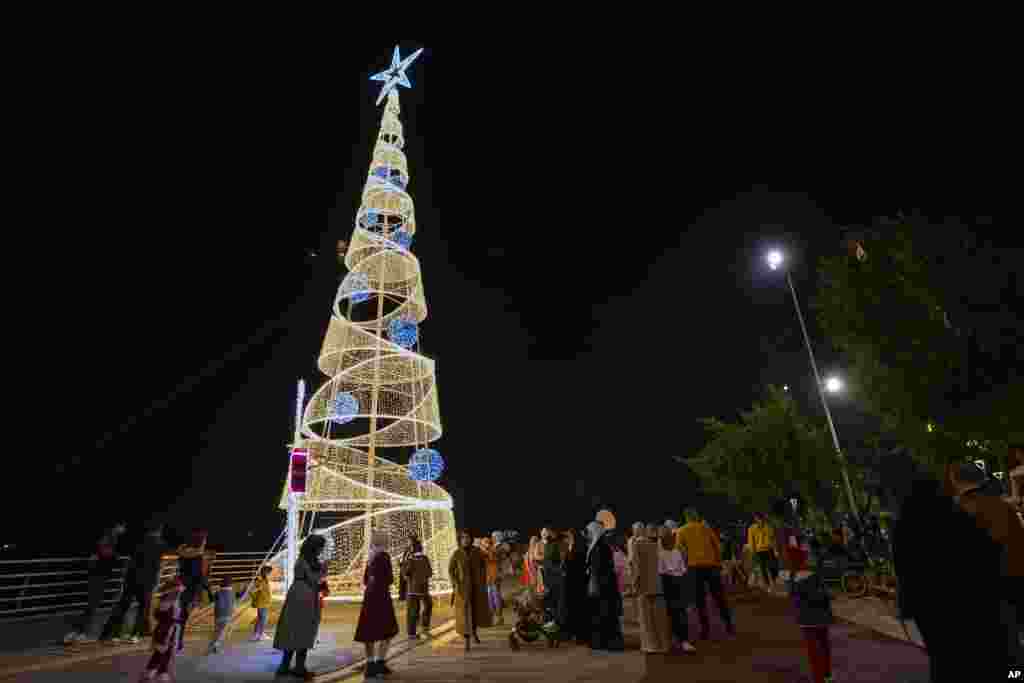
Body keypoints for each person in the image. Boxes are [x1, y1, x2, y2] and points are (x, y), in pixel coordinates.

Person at [946, 461, 1024, 666]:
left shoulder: (954, 512)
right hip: (1012, 586)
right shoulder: (1003, 507)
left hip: (975, 596)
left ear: (955, 481)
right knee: (1013, 648)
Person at [101, 522, 166, 643]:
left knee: (123, 605)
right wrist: (155, 582)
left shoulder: (139, 541)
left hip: (131, 578)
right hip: (147, 581)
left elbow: (131, 560)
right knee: (142, 608)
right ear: (159, 531)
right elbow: (156, 566)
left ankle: (114, 634)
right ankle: (135, 635)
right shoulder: (160, 544)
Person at [273, 534, 327, 680]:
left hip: (299, 596)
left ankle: (287, 666)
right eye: (320, 547)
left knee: (295, 630)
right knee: (302, 630)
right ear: (314, 548)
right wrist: (323, 571)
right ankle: (297, 667)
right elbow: (314, 580)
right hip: (304, 597)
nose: (321, 550)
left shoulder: (304, 560)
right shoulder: (306, 562)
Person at [676, 508, 735, 640]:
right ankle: (729, 625)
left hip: (694, 568)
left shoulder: (681, 531)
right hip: (711, 566)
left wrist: (685, 566)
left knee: (700, 600)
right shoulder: (706, 528)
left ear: (686, 518)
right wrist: (719, 563)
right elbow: (717, 546)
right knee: (719, 597)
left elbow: (681, 551)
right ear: (696, 516)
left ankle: (705, 630)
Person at [65, 522, 127, 644]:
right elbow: (104, 552)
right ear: (117, 526)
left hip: (98, 573)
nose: (124, 530)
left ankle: (78, 632)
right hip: (99, 574)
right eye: (123, 527)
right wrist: (116, 558)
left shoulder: (110, 536)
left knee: (92, 605)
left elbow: (102, 552)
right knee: (92, 604)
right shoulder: (110, 536)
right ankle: (79, 632)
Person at [789, 536, 835, 683]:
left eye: (806, 548)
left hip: (813, 614)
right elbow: (801, 591)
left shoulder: (806, 567)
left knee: (819, 649)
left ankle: (824, 677)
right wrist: (825, 594)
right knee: (819, 649)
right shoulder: (804, 568)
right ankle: (824, 677)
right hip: (813, 614)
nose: (805, 550)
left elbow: (797, 591)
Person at [354, 529, 399, 678]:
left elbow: (365, 580)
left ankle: (370, 664)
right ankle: (380, 662)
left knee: (369, 631)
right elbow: (390, 579)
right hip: (382, 596)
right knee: (387, 630)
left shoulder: (371, 557)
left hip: (369, 597)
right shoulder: (384, 556)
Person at [584, 520, 624, 651]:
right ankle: (607, 642)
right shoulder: (600, 546)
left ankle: (604, 642)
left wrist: (593, 585)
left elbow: (597, 569)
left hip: (602, 586)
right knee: (605, 614)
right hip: (605, 585)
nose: (588, 535)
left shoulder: (598, 547)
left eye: (589, 532)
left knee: (603, 614)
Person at [449, 529, 491, 652]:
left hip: (477, 588)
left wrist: (483, 581)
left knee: (476, 611)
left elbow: (484, 566)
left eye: (467, 537)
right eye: (463, 538)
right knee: (465, 614)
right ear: (460, 540)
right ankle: (467, 639)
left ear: (471, 539)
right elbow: (451, 570)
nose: (465, 540)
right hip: (463, 589)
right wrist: (455, 583)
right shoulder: (457, 553)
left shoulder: (477, 551)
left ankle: (474, 633)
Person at [632, 523, 671, 654]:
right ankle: (664, 645)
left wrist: (635, 583)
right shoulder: (660, 544)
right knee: (660, 617)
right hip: (659, 585)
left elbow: (636, 567)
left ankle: (651, 645)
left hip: (644, 585)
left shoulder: (637, 544)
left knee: (646, 618)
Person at [176, 529, 215, 652]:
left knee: (175, 615)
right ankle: (178, 642)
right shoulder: (198, 556)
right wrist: (209, 591)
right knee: (182, 617)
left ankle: (172, 640)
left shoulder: (182, 551)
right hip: (189, 589)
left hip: (179, 585)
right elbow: (200, 576)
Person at [658, 526, 696, 653]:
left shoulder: (675, 552)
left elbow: (681, 569)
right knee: (673, 613)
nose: (671, 540)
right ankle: (676, 640)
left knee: (679, 613)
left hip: (676, 582)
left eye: (671, 538)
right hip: (669, 583)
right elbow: (663, 572)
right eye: (668, 538)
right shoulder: (661, 554)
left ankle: (683, 640)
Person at [141, 577, 185, 681]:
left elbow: (176, 617)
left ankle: (160, 671)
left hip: (170, 630)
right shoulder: (165, 603)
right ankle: (153, 671)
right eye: (177, 591)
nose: (179, 593)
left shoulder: (174, 602)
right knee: (160, 652)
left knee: (166, 652)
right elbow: (161, 616)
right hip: (165, 631)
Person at [557, 529, 589, 644]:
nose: (567, 538)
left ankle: (580, 636)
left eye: (569, 536)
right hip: (569, 584)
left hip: (577, 584)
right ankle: (571, 634)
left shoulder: (580, 549)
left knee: (577, 611)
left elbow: (577, 566)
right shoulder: (570, 548)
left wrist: (566, 568)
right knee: (570, 610)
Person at [401, 537, 433, 640]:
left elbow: (406, 572)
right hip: (423, 588)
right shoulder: (425, 558)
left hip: (412, 589)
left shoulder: (410, 559)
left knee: (412, 610)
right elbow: (429, 573)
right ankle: (424, 627)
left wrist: (403, 567)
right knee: (428, 605)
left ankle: (412, 633)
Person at [208, 576, 242, 654]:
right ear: (230, 584)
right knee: (223, 632)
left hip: (218, 614)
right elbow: (239, 595)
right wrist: (244, 590)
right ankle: (215, 645)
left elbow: (211, 599)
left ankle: (214, 644)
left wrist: (209, 590)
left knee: (218, 631)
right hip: (227, 614)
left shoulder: (218, 592)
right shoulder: (232, 592)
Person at [746, 513, 777, 589]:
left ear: (763, 518)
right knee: (763, 568)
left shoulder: (768, 527)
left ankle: (774, 580)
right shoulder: (751, 528)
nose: (760, 520)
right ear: (755, 519)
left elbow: (773, 538)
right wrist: (753, 552)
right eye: (758, 518)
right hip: (759, 551)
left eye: (761, 518)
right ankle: (768, 584)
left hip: (769, 549)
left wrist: (775, 550)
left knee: (773, 566)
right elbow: (751, 540)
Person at [541, 528, 563, 627]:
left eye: (548, 532)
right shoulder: (548, 545)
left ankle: (555, 621)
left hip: (555, 577)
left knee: (554, 600)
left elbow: (559, 561)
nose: (546, 534)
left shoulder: (557, 544)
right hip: (548, 577)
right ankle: (550, 621)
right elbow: (547, 560)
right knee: (549, 600)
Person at [480, 536, 504, 625]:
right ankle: (492, 617)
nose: (485, 544)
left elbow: (495, 559)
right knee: (489, 598)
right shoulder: (482, 552)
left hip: (494, 577)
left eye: (487, 542)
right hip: (487, 578)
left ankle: (499, 617)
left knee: (495, 597)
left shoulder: (493, 551)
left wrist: (488, 552)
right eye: (484, 542)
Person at [249, 565, 273, 641]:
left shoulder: (264, 580)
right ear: (266, 573)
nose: (270, 575)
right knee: (263, 619)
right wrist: (252, 592)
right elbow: (255, 589)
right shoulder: (262, 581)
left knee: (260, 618)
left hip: (263, 602)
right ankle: (261, 634)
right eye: (269, 573)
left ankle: (256, 634)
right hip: (262, 603)